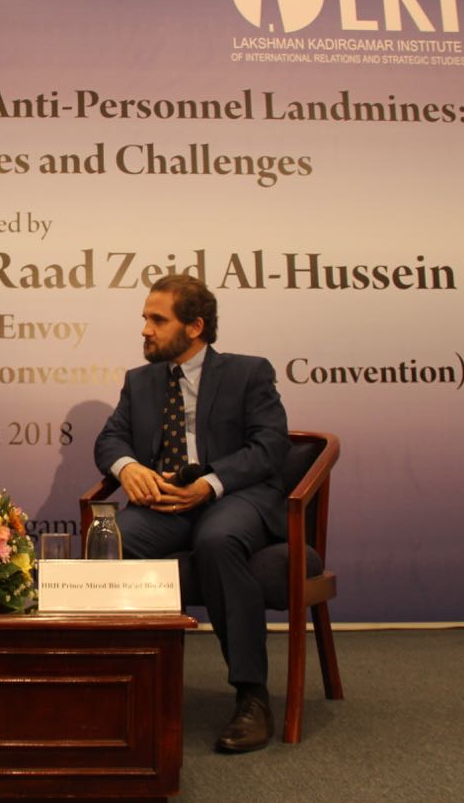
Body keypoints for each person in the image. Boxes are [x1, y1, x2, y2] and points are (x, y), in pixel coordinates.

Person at [94, 274, 290, 753]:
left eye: (157, 320)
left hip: (232, 495)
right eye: (145, 318)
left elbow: (269, 447)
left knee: (217, 541)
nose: (145, 329)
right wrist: (129, 467)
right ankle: (118, 685)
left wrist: (209, 484)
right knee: (112, 540)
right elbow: (110, 440)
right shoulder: (140, 381)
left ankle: (252, 696)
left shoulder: (248, 372)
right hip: (167, 503)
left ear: (195, 326)